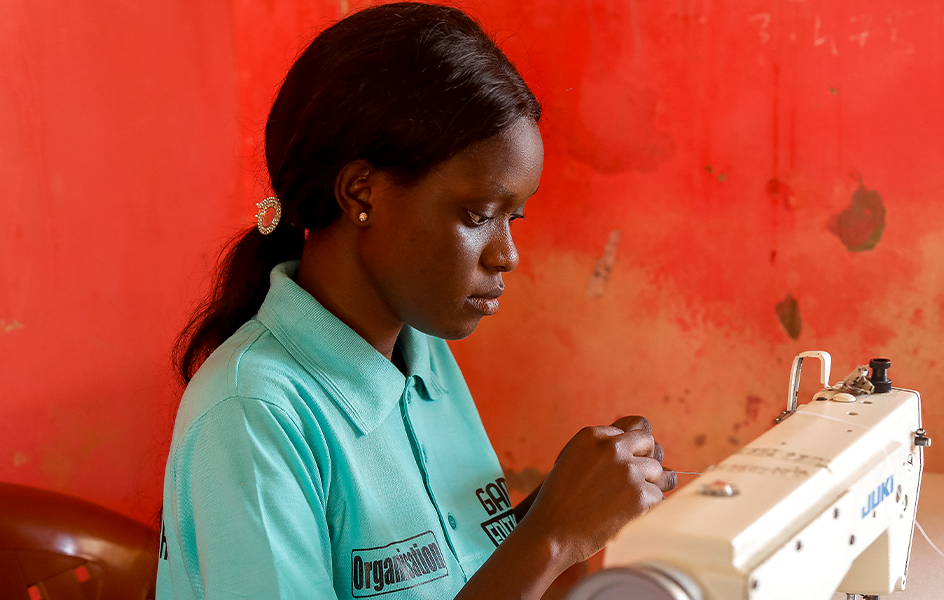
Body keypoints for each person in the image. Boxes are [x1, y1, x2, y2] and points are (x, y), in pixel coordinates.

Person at [156, 4, 676, 599]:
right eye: (479, 216)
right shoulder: (252, 413)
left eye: (515, 218)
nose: (506, 255)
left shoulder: (422, 353)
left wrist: (575, 512)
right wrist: (551, 537)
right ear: (362, 192)